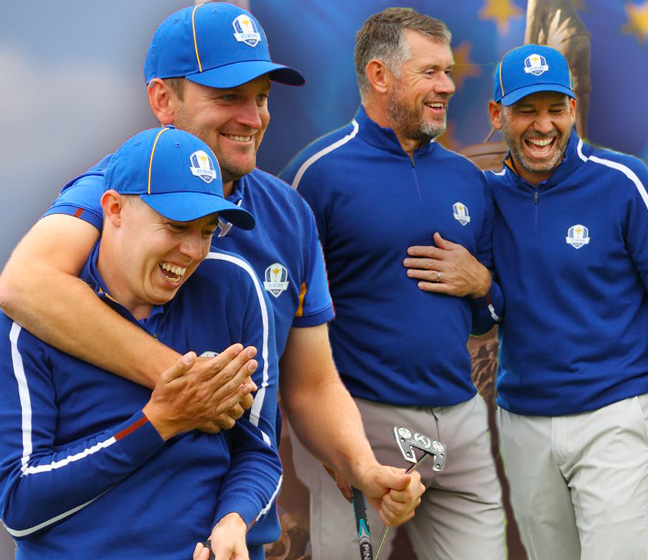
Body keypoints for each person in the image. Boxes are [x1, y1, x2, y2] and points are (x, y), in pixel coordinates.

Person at [0, 3, 422, 556]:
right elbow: (25, 284)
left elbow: (310, 384)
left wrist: (361, 467)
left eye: (262, 97)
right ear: (162, 101)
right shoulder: (123, 188)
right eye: (227, 97)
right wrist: (188, 389)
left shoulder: (288, 215)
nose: (252, 117)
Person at [280, 8, 507, 559]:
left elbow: (490, 313)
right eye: (430, 72)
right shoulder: (318, 174)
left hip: (462, 424)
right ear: (380, 76)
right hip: (361, 423)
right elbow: (280, 316)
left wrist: (482, 285)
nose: (448, 86)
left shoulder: (467, 180)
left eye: (448, 71)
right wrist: (324, 439)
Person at [0, 126, 279, 560]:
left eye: (207, 231)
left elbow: (259, 450)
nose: (192, 251)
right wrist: (158, 422)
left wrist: (233, 521)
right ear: (112, 209)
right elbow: (19, 505)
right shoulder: (31, 320)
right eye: (175, 226)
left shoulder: (234, 286)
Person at [482, 44, 648, 559]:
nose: (543, 126)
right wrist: (479, 286)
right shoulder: (484, 196)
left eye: (555, 109)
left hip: (619, 413)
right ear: (498, 115)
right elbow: (485, 315)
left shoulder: (625, 182)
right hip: (522, 421)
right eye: (526, 110)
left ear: (573, 111)